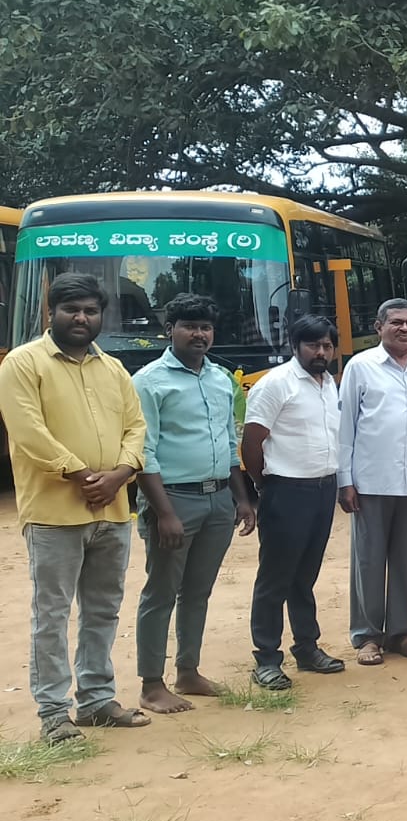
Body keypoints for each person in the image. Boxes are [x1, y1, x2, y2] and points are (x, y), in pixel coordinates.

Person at [0, 273, 149, 740]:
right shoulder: (23, 364)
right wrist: (82, 475)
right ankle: (52, 714)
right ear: (51, 313)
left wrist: (121, 475)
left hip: (112, 510)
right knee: (53, 613)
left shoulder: (114, 369)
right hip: (54, 513)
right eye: (71, 309)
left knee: (103, 609)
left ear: (101, 315)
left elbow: (136, 427)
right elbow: (26, 431)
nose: (81, 318)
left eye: (89, 310)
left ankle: (97, 700)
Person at [130, 293, 258, 713]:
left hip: (219, 500)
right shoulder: (149, 381)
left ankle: (188, 671)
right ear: (170, 330)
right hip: (174, 503)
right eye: (189, 326)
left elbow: (228, 441)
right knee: (161, 593)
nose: (198, 334)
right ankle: (152, 684)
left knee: (198, 592)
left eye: (205, 327)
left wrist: (242, 500)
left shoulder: (220, 378)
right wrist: (163, 513)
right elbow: (143, 452)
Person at [338, 298, 407, 667]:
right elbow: (345, 428)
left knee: (406, 559)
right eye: (397, 322)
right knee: (368, 561)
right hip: (370, 481)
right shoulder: (361, 367)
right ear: (378, 326)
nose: (405, 329)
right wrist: (345, 480)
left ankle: (400, 631)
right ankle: (367, 636)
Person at [242, 315, 348, 690]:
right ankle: (267, 659)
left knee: (305, 576)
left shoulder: (328, 385)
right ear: (294, 345)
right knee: (275, 578)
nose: (321, 352)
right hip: (285, 490)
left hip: (322, 490)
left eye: (326, 345)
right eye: (312, 345)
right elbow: (252, 443)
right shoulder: (275, 385)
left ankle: (307, 647)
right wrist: (262, 485)